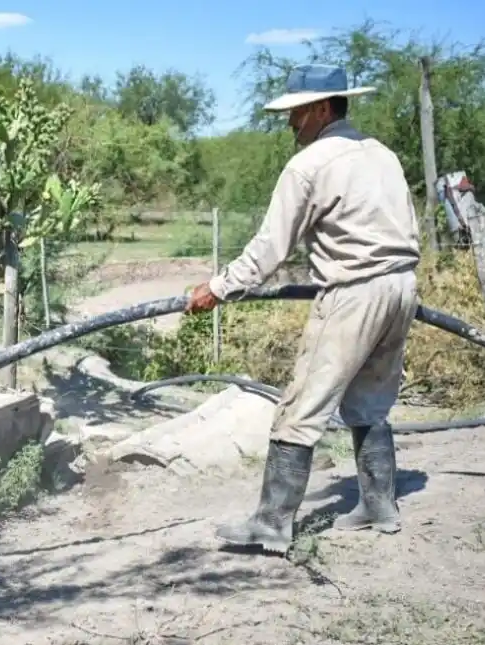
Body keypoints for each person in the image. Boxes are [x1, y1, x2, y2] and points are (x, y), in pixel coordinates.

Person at [184, 63, 422, 555]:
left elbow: (270, 249)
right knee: (372, 399)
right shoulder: (383, 155)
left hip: (353, 292)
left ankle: (272, 523)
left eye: (295, 114)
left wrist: (218, 288)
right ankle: (380, 506)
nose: (290, 125)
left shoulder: (309, 166)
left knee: (300, 408)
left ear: (319, 109)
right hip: (401, 287)